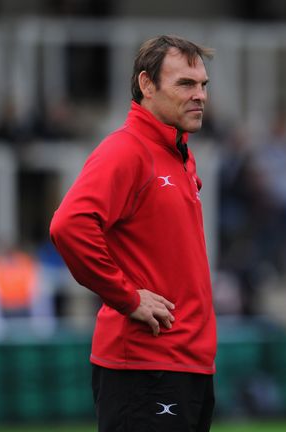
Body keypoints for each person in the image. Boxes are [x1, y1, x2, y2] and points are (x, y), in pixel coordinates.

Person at [49, 35, 216, 432]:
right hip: (145, 364)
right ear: (146, 85)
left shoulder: (180, 154)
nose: (200, 96)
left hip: (187, 363)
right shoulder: (126, 150)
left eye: (204, 85)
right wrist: (126, 297)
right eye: (185, 84)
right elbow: (69, 226)